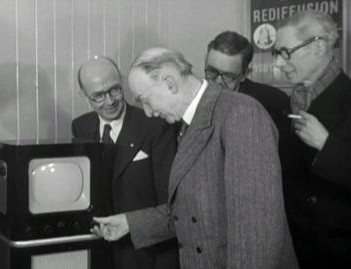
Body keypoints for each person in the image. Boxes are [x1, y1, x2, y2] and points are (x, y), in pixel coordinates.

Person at [92, 47, 299, 269]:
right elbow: (194, 212)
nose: (148, 112)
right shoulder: (187, 125)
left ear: (169, 83)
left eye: (146, 100)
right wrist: (131, 224)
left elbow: (256, 233)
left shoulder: (240, 113)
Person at [73, 56, 179, 269]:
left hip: (146, 254)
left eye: (114, 90)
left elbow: (171, 204)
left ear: (122, 83)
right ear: (84, 96)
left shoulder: (155, 125)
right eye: (98, 96)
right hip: (99, 252)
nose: (110, 101)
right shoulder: (80, 126)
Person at [273, 10, 351, 268]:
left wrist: (326, 146)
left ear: (318, 47)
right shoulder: (288, 103)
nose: (279, 64)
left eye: (285, 52)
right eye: (276, 54)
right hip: (293, 247)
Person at [205, 31, 293, 173]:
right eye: (212, 72)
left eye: (228, 75)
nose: (217, 82)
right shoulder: (195, 101)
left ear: (245, 74)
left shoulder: (273, 102)